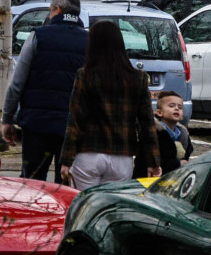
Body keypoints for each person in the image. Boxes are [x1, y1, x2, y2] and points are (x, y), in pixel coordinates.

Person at [58, 20, 160, 191]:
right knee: (111, 209)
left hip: (88, 154)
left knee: (83, 208)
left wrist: (66, 160)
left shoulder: (85, 76)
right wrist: (153, 161)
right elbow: (147, 123)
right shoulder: (138, 78)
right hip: (122, 157)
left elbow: (75, 121)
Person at [1, 0, 88, 183]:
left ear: (57, 10)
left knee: (32, 182)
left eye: (50, 11)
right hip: (72, 126)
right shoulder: (88, 41)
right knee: (64, 184)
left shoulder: (38, 36)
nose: (49, 16)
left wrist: (7, 118)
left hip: (37, 124)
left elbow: (17, 83)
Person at [136, 90, 191, 175]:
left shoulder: (183, 135)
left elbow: (186, 156)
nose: (176, 108)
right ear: (159, 112)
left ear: (182, 115)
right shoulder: (154, 132)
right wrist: (179, 164)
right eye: (171, 106)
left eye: (180, 107)